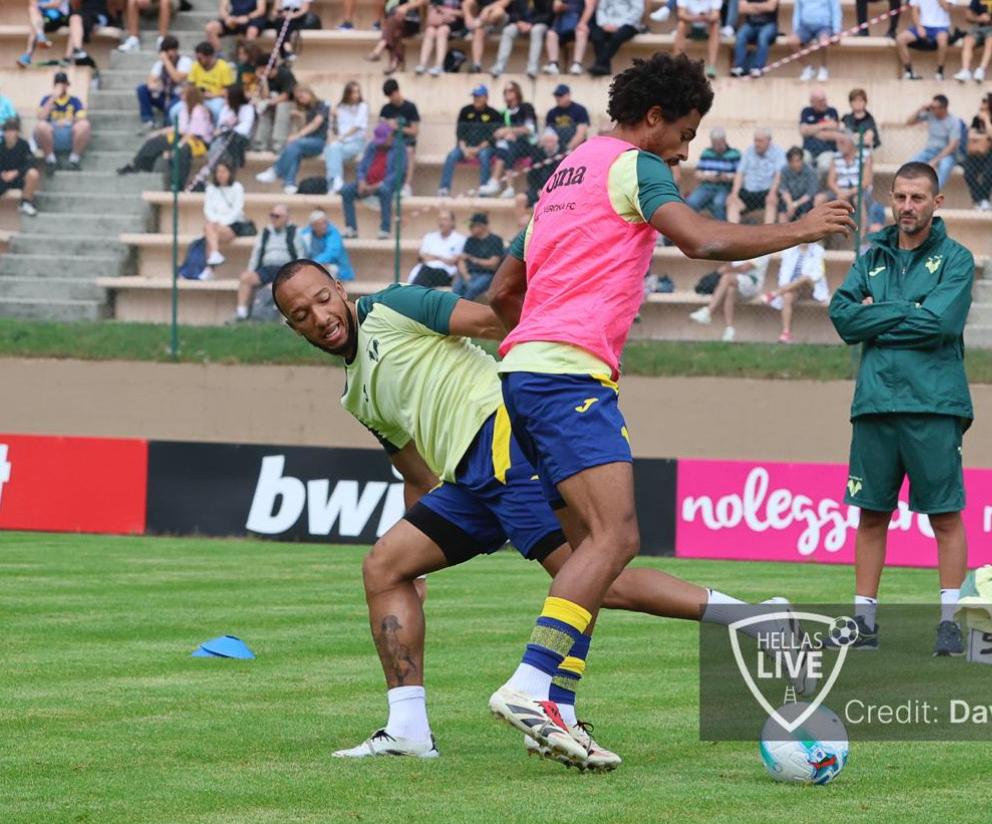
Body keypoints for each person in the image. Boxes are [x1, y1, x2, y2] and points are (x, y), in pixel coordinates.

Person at [269, 260, 804, 764]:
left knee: (596, 580)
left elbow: (495, 320)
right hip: (467, 482)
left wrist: (554, 380)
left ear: (340, 289)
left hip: (506, 443)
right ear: (294, 329)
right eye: (302, 316)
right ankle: (408, 730)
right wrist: (422, 563)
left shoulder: (394, 306)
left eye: (322, 300)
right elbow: (416, 476)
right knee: (385, 568)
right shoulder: (355, 394)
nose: (319, 318)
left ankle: (753, 619)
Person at [484, 52, 855, 768]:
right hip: (567, 378)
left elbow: (505, 289)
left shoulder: (565, 175)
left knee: (596, 559)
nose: (685, 151)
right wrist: (804, 229)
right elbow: (703, 240)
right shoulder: (634, 165)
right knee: (617, 539)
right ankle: (531, 683)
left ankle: (556, 701)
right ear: (652, 119)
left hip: (523, 373)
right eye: (684, 133)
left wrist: (540, 333)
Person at [828, 162, 976, 658]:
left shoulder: (957, 258)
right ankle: (864, 623)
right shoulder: (872, 256)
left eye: (918, 198)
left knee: (945, 516)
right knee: (871, 515)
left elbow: (939, 324)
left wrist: (879, 312)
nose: (907, 207)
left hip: (933, 403)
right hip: (874, 404)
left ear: (937, 203)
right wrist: (905, 310)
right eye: (900, 197)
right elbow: (844, 318)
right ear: (891, 200)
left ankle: (951, 623)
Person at [117, 84, 212, 191]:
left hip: (198, 142)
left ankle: (177, 186)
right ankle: (137, 165)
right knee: (156, 141)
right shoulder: (185, 109)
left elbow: (194, 133)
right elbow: (179, 128)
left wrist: (179, 145)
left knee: (183, 150)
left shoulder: (200, 110)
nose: (181, 96)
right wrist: (159, 132)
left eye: (184, 94)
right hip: (183, 137)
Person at [235, 204, 308, 320]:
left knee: (287, 284)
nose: (274, 218)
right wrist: (251, 270)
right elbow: (256, 253)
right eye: (272, 215)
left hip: (284, 269)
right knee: (245, 278)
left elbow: (301, 255)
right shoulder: (265, 232)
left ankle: (287, 318)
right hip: (266, 268)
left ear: (286, 218)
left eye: (277, 216)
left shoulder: (294, 232)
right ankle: (241, 313)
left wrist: (299, 274)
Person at [256, 85, 328, 194]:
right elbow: (304, 127)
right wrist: (300, 116)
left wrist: (298, 135)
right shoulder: (305, 108)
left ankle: (275, 171)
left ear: (308, 92)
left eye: (301, 96)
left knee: (295, 144)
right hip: (305, 142)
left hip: (318, 142)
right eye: (298, 98)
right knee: (294, 151)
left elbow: (316, 123)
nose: (301, 100)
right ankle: (289, 183)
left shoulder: (322, 105)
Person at [339, 122, 405, 240]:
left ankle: (385, 230)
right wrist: (361, 181)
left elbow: (399, 172)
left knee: (385, 191)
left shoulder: (399, 148)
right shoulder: (372, 146)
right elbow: (361, 166)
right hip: (367, 183)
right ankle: (351, 228)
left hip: (385, 184)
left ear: (390, 136)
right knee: (346, 191)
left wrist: (379, 185)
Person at [687, 255, 771, 341]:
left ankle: (708, 311)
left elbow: (745, 268)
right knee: (731, 289)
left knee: (727, 277)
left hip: (753, 284)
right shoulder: (743, 249)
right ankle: (729, 329)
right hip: (737, 283)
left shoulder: (762, 252)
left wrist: (725, 270)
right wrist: (724, 269)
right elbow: (733, 265)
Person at [438, 84, 500, 196]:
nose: (476, 99)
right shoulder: (465, 111)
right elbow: (460, 133)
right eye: (474, 96)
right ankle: (444, 188)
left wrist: (477, 149)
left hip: (484, 148)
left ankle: (483, 189)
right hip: (465, 147)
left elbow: (492, 137)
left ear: (486, 97)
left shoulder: (493, 114)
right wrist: (464, 149)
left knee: (484, 156)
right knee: (451, 156)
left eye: (479, 96)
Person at [761, 240, 829, 342]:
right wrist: (789, 285)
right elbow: (783, 273)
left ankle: (775, 293)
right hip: (792, 288)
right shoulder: (789, 251)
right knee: (787, 297)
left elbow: (818, 273)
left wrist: (802, 279)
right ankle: (786, 333)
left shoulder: (818, 251)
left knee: (804, 278)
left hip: (810, 286)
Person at [479, 80, 537, 197]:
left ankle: (499, 182)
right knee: (504, 146)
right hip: (509, 144)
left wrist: (509, 131)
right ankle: (504, 186)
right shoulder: (503, 112)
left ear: (517, 92)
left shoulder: (526, 107)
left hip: (527, 144)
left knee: (508, 146)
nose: (507, 93)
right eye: (505, 91)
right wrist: (505, 134)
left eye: (510, 90)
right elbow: (498, 132)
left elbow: (529, 129)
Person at [0, 117, 40, 221]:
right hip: (2, 179)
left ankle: (25, 202)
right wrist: (1, 175)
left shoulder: (24, 145)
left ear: (16, 132)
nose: (8, 134)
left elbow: (31, 163)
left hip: (19, 178)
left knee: (33, 174)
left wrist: (16, 172)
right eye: (6, 131)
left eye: (11, 131)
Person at [34, 71, 89, 175]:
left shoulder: (74, 100)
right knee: (41, 126)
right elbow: (41, 117)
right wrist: (53, 97)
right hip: (50, 136)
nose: (60, 86)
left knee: (84, 125)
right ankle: (51, 161)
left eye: (63, 83)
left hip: (69, 135)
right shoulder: (47, 99)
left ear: (67, 84)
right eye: (57, 83)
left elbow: (82, 117)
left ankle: (74, 160)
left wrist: (68, 120)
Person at [727, 127, 784, 224]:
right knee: (732, 202)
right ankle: (733, 235)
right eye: (755, 140)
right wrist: (734, 193)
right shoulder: (749, 151)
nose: (757, 144)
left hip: (767, 191)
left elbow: (779, 174)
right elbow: (740, 174)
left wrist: (772, 193)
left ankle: (767, 233)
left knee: (772, 201)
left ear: (769, 141)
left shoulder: (778, 152)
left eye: (760, 141)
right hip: (749, 191)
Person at [201, 161, 247, 278]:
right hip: (215, 223)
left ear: (230, 173)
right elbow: (208, 209)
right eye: (218, 172)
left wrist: (221, 223)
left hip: (232, 224)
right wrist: (216, 222)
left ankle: (210, 269)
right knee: (210, 230)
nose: (220, 175)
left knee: (209, 232)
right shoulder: (211, 188)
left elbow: (237, 210)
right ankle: (214, 255)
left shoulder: (237, 187)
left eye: (223, 172)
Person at [136, 36, 191, 133]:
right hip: (163, 94)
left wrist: (167, 61)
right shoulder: (159, 64)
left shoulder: (185, 61)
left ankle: (168, 126)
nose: (170, 54)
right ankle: (148, 120)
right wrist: (154, 85)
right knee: (142, 89)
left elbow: (177, 78)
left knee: (172, 105)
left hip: (179, 97)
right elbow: (150, 80)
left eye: (172, 50)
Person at [907, 94, 962, 191]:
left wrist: (935, 161)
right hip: (929, 152)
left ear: (943, 108)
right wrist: (920, 109)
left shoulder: (954, 121)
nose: (931, 109)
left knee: (945, 167)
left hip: (946, 154)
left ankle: (932, 194)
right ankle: (910, 191)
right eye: (931, 107)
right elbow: (909, 122)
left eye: (934, 107)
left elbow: (952, 146)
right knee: (910, 165)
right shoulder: (930, 115)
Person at [963, 92, 992, 212]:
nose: (981, 103)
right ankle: (980, 200)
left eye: (984, 101)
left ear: (991, 103)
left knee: (988, 174)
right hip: (977, 152)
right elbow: (970, 135)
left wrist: (986, 119)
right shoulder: (976, 119)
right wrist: (985, 136)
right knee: (968, 174)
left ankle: (984, 200)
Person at [954, 0, 992, 83]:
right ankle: (965, 70)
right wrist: (979, 18)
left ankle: (981, 69)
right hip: (980, 27)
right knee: (968, 40)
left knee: (990, 40)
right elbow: (968, 15)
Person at [324, 81, 370, 192]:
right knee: (331, 149)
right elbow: (334, 129)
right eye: (353, 92)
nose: (356, 95)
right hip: (341, 142)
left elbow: (358, 126)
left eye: (358, 92)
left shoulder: (363, 106)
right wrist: (333, 116)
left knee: (333, 150)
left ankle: (334, 182)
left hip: (356, 141)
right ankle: (336, 180)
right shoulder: (340, 107)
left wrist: (342, 137)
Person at [685, 127, 739, 221]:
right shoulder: (707, 153)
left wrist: (727, 178)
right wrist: (708, 177)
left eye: (718, 143)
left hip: (724, 187)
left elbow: (740, 175)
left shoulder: (734, 154)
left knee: (718, 203)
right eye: (714, 143)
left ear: (724, 140)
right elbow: (697, 173)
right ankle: (692, 226)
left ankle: (721, 228)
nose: (716, 146)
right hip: (706, 186)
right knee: (691, 201)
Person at [379, 79, 420, 197]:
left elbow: (415, 131)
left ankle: (406, 185)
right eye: (388, 96)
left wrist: (396, 127)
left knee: (409, 152)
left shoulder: (410, 107)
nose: (391, 98)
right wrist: (386, 126)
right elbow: (380, 130)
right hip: (390, 140)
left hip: (407, 140)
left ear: (397, 91)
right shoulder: (385, 109)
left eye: (392, 95)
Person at [513, 128, 561, 224]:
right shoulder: (538, 153)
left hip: (556, 191)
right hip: (538, 189)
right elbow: (531, 175)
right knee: (520, 198)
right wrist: (538, 189)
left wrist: (547, 190)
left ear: (556, 140)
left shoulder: (563, 154)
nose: (549, 143)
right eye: (547, 141)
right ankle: (523, 228)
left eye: (551, 141)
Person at [492, 0, 552, 76]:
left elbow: (548, 15)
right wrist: (518, 22)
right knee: (508, 31)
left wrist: (531, 24)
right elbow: (513, 13)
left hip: (539, 24)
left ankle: (532, 68)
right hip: (522, 24)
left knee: (536, 31)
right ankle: (499, 66)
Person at [897, 0, 953, 81]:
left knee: (942, 41)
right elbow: (914, 10)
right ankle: (909, 72)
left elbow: (947, 7)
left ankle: (939, 72)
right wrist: (919, 26)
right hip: (923, 25)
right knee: (900, 39)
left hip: (941, 26)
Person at [410, 210, 467, 287]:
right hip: (427, 270)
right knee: (424, 272)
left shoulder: (461, 239)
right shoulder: (429, 237)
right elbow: (424, 257)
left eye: (445, 219)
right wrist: (443, 259)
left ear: (452, 222)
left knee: (424, 273)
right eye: (439, 219)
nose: (441, 222)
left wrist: (436, 257)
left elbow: (454, 261)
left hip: (446, 273)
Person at [181, 42, 234, 122]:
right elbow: (190, 85)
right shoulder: (195, 65)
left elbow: (229, 90)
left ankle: (216, 131)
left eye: (200, 58)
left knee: (216, 110)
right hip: (197, 97)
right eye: (197, 58)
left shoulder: (224, 67)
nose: (198, 61)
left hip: (216, 98)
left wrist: (212, 95)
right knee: (176, 110)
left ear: (209, 56)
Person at [586, 0, 641, 76]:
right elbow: (601, 9)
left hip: (628, 24)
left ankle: (599, 63)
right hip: (607, 23)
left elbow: (637, 10)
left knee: (617, 37)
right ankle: (604, 67)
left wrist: (617, 24)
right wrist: (604, 24)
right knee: (597, 36)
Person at [456, 212, 504, 298]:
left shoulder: (495, 240)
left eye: (472, 226)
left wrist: (474, 260)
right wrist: (465, 275)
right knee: (457, 289)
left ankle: (464, 310)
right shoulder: (470, 240)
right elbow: (461, 259)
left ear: (481, 226)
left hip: (486, 274)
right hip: (469, 272)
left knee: (472, 288)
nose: (470, 228)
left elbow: (493, 262)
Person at [789, 0, 839, 81]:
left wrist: (836, 30)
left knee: (825, 42)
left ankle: (824, 69)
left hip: (824, 26)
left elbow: (836, 11)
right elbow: (797, 12)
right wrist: (795, 31)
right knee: (792, 42)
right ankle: (808, 68)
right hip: (805, 27)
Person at [672, 0, 722, 78]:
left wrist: (706, 18)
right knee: (681, 24)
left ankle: (712, 66)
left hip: (706, 26)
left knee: (715, 26)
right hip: (690, 25)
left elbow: (716, 15)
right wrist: (694, 18)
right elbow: (681, 14)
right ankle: (678, 64)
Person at [17, 0, 71, 69]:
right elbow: (32, 3)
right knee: (34, 17)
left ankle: (28, 54)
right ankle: (40, 37)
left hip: (60, 18)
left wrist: (39, 6)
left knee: (35, 22)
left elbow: (56, 4)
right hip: (45, 18)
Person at [417, 0, 465, 77]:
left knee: (442, 31)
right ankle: (422, 64)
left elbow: (467, 13)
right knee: (430, 31)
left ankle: (439, 65)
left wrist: (450, 12)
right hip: (440, 20)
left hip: (457, 21)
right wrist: (441, 18)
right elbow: (431, 12)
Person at [303, 210, 354, 281]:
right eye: (320, 224)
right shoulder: (306, 233)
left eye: (325, 223)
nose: (324, 226)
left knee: (323, 268)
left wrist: (313, 264)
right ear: (313, 226)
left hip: (337, 268)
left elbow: (332, 253)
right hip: (313, 266)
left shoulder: (333, 232)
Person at [799, 89, 840, 176]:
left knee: (824, 166)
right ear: (812, 102)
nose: (824, 103)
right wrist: (824, 125)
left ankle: (813, 187)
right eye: (820, 101)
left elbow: (833, 134)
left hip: (827, 150)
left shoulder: (832, 111)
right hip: (809, 149)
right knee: (801, 161)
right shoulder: (806, 112)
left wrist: (811, 130)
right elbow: (803, 131)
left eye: (824, 100)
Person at [463, 0, 511, 73]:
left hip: (501, 21)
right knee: (479, 31)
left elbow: (505, 2)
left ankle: (477, 25)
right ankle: (476, 64)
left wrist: (488, 8)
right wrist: (467, 16)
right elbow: (466, 3)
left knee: (499, 11)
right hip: (483, 21)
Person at [544, 0, 590, 76]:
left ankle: (577, 64)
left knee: (581, 32)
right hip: (563, 23)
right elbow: (555, 8)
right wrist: (560, 6)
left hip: (581, 21)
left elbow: (590, 6)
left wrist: (583, 22)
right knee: (551, 34)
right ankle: (553, 64)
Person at [778, 145, 821, 223]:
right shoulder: (784, 170)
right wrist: (789, 204)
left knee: (806, 210)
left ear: (802, 160)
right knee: (783, 212)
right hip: (790, 199)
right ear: (788, 162)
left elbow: (810, 192)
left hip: (804, 200)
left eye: (798, 161)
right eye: (792, 161)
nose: (795, 164)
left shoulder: (810, 171)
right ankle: (782, 231)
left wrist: (796, 204)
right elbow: (783, 189)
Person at [543, 83, 589, 150]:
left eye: (560, 95)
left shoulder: (580, 110)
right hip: (557, 147)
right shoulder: (551, 113)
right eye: (556, 95)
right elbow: (548, 133)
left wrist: (568, 148)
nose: (558, 98)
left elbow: (581, 133)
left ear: (568, 95)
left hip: (576, 147)